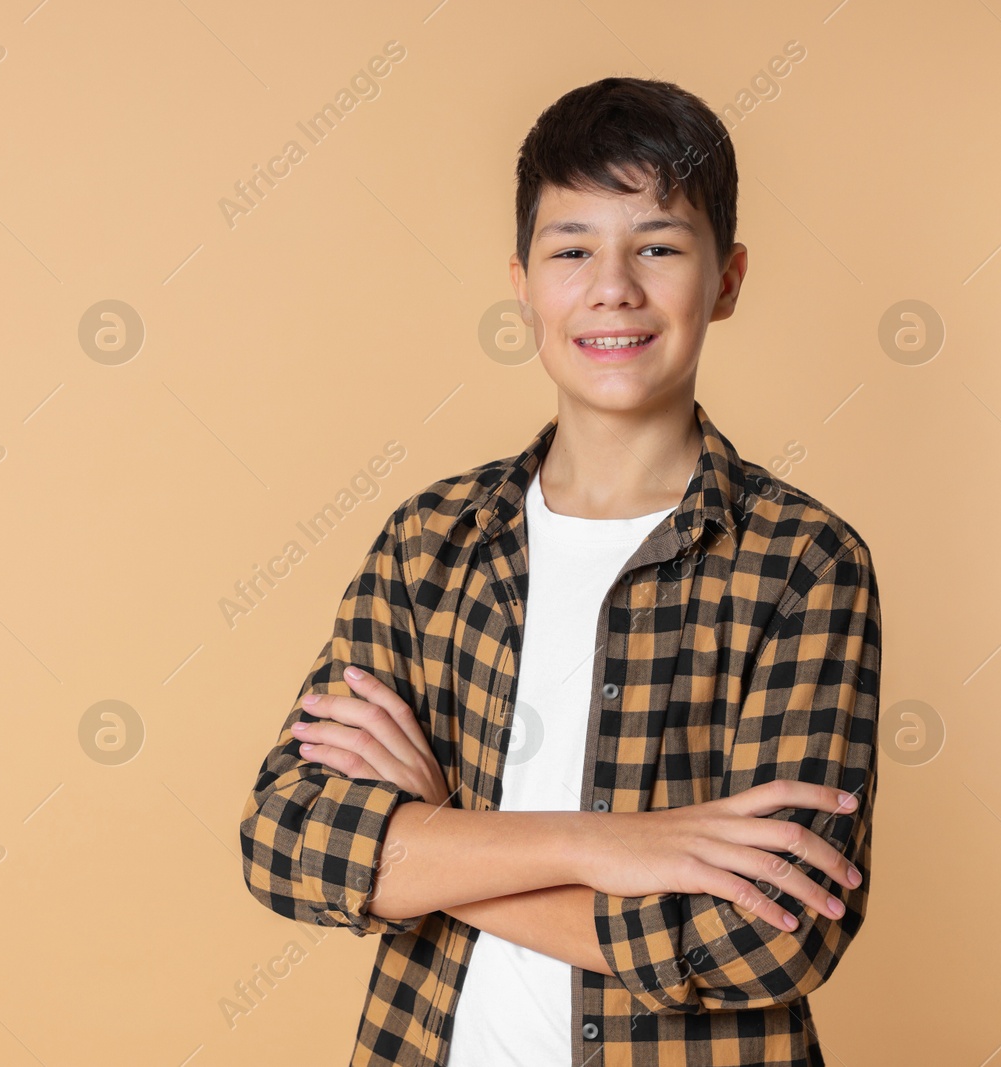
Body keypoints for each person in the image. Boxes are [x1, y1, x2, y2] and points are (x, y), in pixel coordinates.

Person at [237, 75, 883, 1067]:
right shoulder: (428, 544)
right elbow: (290, 839)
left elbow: (771, 931)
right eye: (571, 249)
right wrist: (608, 842)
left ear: (726, 277)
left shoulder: (802, 563)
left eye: (657, 246)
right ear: (523, 280)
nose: (612, 286)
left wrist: (434, 843)